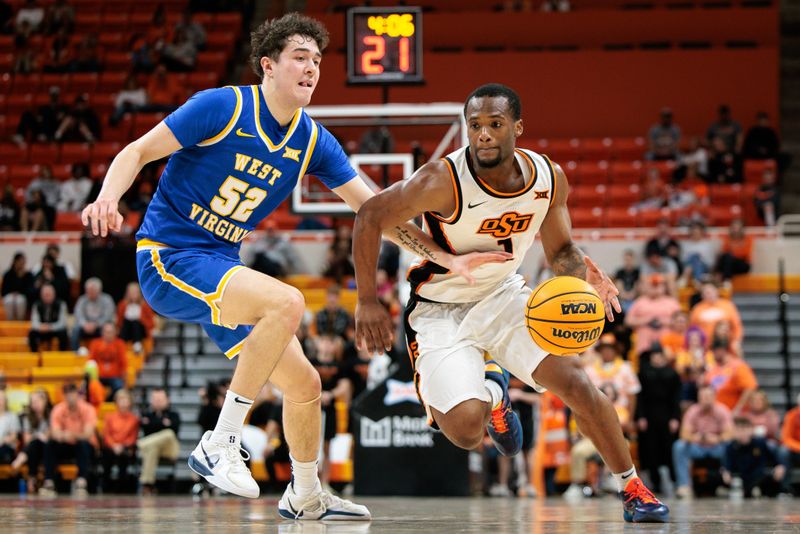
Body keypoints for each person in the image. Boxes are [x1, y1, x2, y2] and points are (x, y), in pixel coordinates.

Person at [80, 13, 503, 520]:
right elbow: (139, 150)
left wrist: (448, 258)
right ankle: (222, 442)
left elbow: (375, 211)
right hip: (167, 257)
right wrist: (108, 196)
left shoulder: (312, 141)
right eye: (299, 58)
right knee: (288, 300)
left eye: (317, 61)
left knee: (305, 385)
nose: (311, 69)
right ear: (267, 65)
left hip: (219, 266)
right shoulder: (223, 106)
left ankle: (305, 494)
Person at [352, 83, 668, 522]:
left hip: (502, 296)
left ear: (517, 128)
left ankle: (632, 487)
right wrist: (368, 300)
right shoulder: (441, 180)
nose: (482, 134)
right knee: (465, 430)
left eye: (495, 124)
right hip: (440, 309)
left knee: (577, 384)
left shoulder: (548, 178)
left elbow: (560, 252)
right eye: (475, 125)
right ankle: (495, 393)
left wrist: (582, 276)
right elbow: (370, 215)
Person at [672, 386, 733, 499]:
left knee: (730, 445)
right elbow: (684, 434)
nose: (706, 399)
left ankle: (726, 483)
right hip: (698, 447)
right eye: (703, 397)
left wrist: (717, 438)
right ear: (698, 398)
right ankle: (684, 485)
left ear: (714, 397)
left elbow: (729, 433)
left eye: (709, 396)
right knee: (679, 446)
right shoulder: (692, 411)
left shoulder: (722, 410)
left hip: (717, 447)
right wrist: (696, 438)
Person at [636, 347, 682, 495]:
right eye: (654, 355)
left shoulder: (672, 374)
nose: (657, 358)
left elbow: (676, 398)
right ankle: (654, 482)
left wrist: (675, 417)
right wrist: (640, 416)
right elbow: (640, 397)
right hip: (649, 416)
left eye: (659, 355)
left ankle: (674, 481)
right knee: (651, 449)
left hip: (666, 415)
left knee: (668, 448)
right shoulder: (643, 374)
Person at [41, 383, 97, 496]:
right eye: (67, 394)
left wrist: (72, 435)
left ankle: (82, 482)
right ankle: (49, 482)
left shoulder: (88, 409)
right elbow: (55, 432)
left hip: (83, 445)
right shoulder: (58, 409)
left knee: (82, 444)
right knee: (50, 444)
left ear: (78, 394)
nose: (70, 397)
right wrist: (63, 436)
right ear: (64, 396)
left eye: (72, 393)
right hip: (65, 444)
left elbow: (88, 434)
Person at [722, 417, 785, 498]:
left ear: (751, 430)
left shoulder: (760, 443)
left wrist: (779, 466)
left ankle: (778, 491)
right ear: (734, 432)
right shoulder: (730, 447)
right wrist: (726, 472)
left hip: (758, 476)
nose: (742, 433)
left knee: (769, 475)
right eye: (739, 430)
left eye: (745, 429)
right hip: (739, 478)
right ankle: (748, 490)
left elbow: (773, 459)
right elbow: (727, 465)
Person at [137, 388, 180, 495]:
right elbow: (145, 426)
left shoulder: (174, 414)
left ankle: (140, 444)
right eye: (155, 399)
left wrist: (153, 423)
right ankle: (147, 484)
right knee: (153, 448)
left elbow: (174, 428)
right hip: (152, 449)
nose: (157, 401)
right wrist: (162, 423)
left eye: (160, 399)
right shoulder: (147, 414)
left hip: (169, 449)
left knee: (169, 433)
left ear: (167, 400)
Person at [624, 274, 681, 355]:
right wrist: (646, 320)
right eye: (652, 285)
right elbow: (628, 321)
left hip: (666, 337)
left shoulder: (672, 302)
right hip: (644, 337)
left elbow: (681, 321)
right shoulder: (640, 301)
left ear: (664, 286)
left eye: (658, 285)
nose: (655, 288)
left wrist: (664, 321)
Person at [10, 388, 51, 493]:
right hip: (34, 449)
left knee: (38, 444)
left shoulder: (51, 415)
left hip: (48, 449)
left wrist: (37, 435)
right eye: (33, 402)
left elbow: (49, 437)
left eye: (37, 401)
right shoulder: (27, 417)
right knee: (34, 444)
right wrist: (39, 436)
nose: (35, 404)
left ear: (45, 401)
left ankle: (29, 475)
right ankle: (32, 479)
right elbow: (27, 439)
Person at [702, 339, 757, 415]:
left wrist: (738, 409)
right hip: (716, 415)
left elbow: (750, 388)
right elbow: (706, 386)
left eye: (714, 351)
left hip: (734, 413)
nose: (712, 354)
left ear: (721, 350)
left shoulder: (738, 366)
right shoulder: (713, 368)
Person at [101, 389, 139, 493]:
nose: (122, 402)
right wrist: (113, 445)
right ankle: (106, 486)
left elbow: (133, 437)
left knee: (124, 456)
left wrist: (122, 446)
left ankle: (122, 486)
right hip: (111, 447)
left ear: (130, 402)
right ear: (116, 402)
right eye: (120, 400)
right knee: (106, 455)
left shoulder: (134, 419)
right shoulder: (109, 417)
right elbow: (107, 434)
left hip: (125, 447)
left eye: (125, 399)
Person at [689, 282, 743, 346]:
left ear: (717, 291)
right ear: (702, 295)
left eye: (711, 292)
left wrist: (737, 340)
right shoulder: (697, 309)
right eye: (706, 293)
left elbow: (737, 326)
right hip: (705, 346)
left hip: (725, 344)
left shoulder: (728, 306)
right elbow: (692, 328)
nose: (709, 295)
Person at [72, 277, 116, 350]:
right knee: (76, 329)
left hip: (100, 325)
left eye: (92, 290)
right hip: (85, 326)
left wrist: (96, 324)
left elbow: (108, 316)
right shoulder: (82, 300)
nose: (90, 293)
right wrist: (84, 324)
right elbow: (78, 314)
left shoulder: (107, 299)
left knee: (107, 329)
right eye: (88, 290)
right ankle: (76, 352)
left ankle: (103, 350)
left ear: (99, 290)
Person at [88, 323, 128, 398]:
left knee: (119, 386)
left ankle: (108, 400)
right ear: (102, 333)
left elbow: (124, 363)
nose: (108, 334)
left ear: (115, 333)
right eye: (106, 332)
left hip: (115, 377)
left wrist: (125, 380)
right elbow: (90, 361)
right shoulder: (95, 343)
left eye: (110, 332)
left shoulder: (120, 344)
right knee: (91, 387)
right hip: (98, 376)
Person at [28, 283, 69, 351]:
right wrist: (40, 327)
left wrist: (50, 327)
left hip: (55, 329)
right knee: (32, 334)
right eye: (45, 295)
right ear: (41, 295)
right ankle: (34, 355)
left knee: (63, 333)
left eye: (49, 295)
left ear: (54, 294)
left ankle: (62, 355)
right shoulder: (37, 305)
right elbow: (34, 322)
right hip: (42, 329)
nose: (47, 297)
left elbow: (62, 323)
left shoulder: (61, 304)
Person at [116, 282, 155, 350]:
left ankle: (137, 344)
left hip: (141, 331)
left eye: (135, 292)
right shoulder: (122, 304)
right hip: (126, 330)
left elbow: (151, 323)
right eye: (131, 292)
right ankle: (122, 344)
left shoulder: (145, 305)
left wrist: (140, 319)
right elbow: (119, 322)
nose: (133, 294)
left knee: (135, 322)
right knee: (127, 321)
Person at [2, 252, 35, 320]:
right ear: (15, 262)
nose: (21, 264)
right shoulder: (8, 274)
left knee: (19, 301)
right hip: (9, 295)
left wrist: (20, 279)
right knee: (9, 300)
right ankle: (10, 320)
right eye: (19, 261)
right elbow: (4, 290)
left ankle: (20, 320)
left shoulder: (28, 275)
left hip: (23, 295)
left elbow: (30, 290)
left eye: (23, 262)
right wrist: (12, 293)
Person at [0, 389, 20, 465]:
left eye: (1, 399)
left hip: (6, 448)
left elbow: (14, 436)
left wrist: (3, 441)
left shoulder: (12, 416)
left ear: (6, 401)